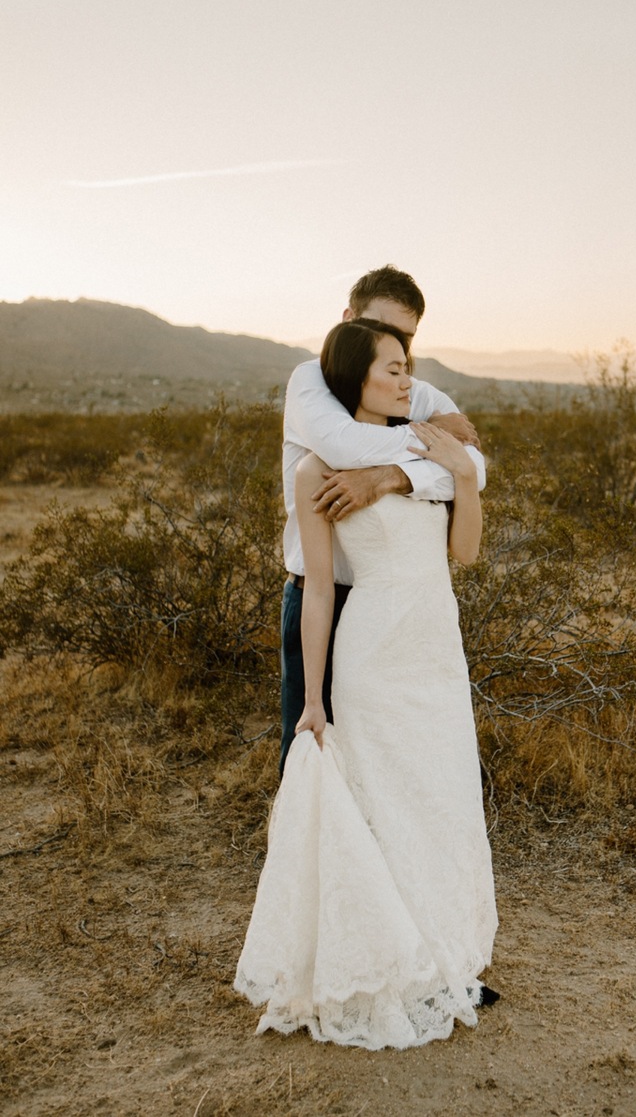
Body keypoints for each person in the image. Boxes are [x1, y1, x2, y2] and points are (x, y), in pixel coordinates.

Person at [234, 319, 498, 1050]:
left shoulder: (429, 447)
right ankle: (390, 958)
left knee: (439, 796)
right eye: (393, 368)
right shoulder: (316, 470)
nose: (408, 380)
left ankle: (442, 949)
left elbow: (465, 554)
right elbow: (319, 592)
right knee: (383, 797)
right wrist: (313, 698)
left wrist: (466, 476)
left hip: (436, 649)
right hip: (374, 648)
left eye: (408, 367)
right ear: (355, 378)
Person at [280, 265, 485, 775]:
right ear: (348, 322)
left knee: (400, 764)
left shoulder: (412, 390)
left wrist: (391, 476)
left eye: (406, 342)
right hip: (320, 594)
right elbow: (339, 445)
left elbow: (473, 469)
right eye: (381, 333)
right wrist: (431, 439)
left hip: (410, 615)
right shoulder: (312, 379)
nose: (400, 358)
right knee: (316, 757)